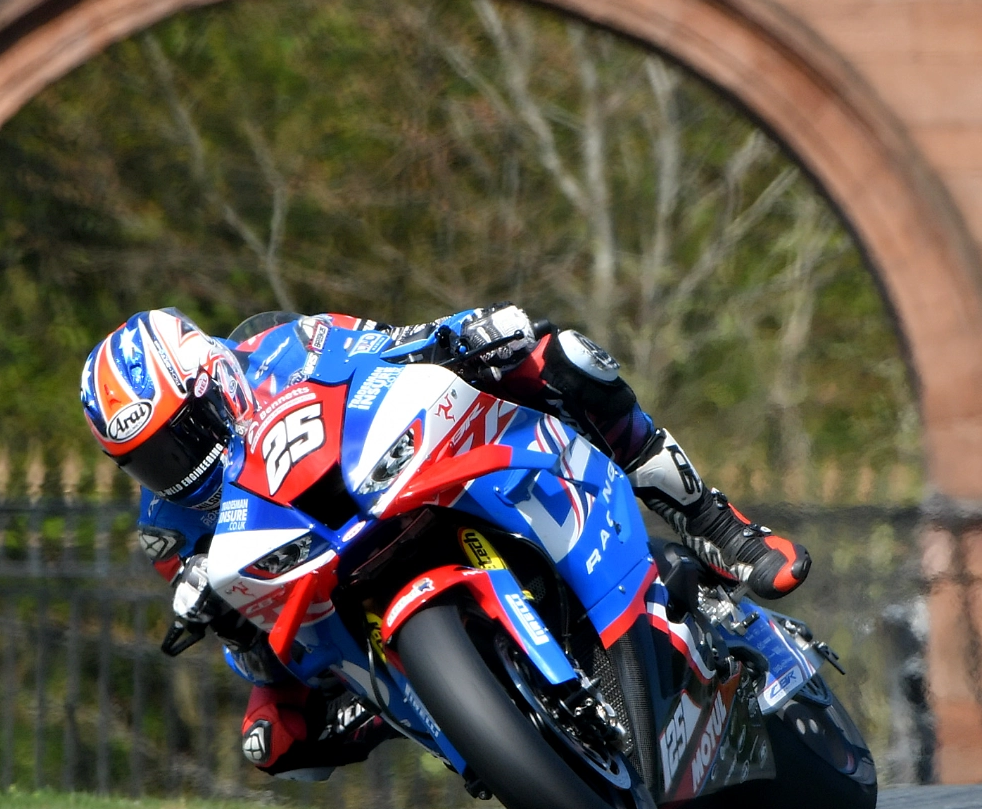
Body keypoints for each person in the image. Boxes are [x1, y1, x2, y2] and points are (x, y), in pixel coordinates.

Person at [78, 304, 810, 780]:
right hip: (331, 602)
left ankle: (715, 525)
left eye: (184, 433)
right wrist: (221, 615)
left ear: (213, 380)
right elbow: (250, 648)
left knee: (562, 357)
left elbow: (394, 346)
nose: (175, 466)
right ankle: (439, 709)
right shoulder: (165, 525)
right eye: (150, 457)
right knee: (273, 739)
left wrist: (469, 331)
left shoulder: (284, 346)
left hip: (394, 480)